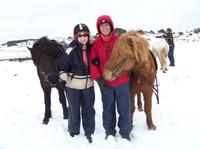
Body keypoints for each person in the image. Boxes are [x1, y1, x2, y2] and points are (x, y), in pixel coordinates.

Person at [90, 15, 132, 141]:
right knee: (108, 108)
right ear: (99, 28)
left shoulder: (120, 40)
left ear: (111, 26)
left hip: (122, 82)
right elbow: (92, 63)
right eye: (102, 26)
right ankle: (109, 131)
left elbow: (129, 58)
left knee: (124, 108)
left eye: (107, 25)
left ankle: (125, 132)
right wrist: (99, 80)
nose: (105, 28)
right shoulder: (96, 44)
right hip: (106, 83)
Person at [58, 23, 95, 143]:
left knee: (88, 109)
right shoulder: (70, 51)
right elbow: (62, 68)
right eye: (80, 35)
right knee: (74, 110)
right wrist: (63, 78)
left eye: (85, 35)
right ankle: (73, 132)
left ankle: (89, 131)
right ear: (75, 37)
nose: (83, 37)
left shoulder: (93, 49)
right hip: (72, 86)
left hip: (88, 85)